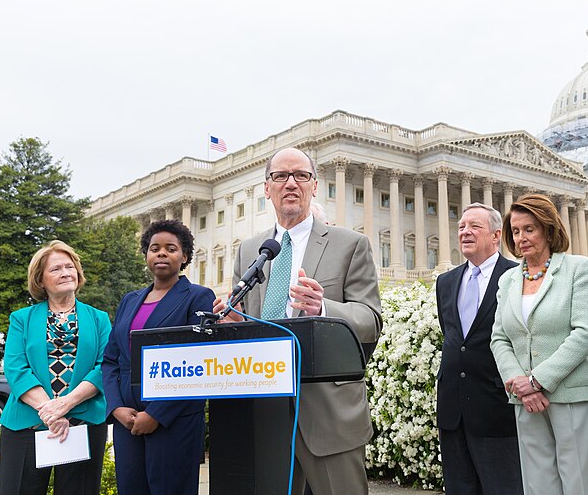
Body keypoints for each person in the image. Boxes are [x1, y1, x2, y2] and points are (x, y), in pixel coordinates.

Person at [213, 147, 381, 495]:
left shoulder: (351, 244)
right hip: (264, 413)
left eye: (300, 176)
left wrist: (323, 308)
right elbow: (251, 324)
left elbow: (370, 320)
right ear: (266, 188)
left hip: (328, 415)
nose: (291, 183)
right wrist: (232, 323)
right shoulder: (250, 250)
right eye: (280, 176)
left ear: (314, 186)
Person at [491, 194, 588, 494]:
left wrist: (537, 381)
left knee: (582, 484)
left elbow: (585, 334)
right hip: (525, 398)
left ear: (548, 229)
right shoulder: (507, 280)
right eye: (516, 231)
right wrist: (519, 383)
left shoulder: (577, 269)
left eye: (529, 229)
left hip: (573, 393)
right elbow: (499, 338)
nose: (521, 237)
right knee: (538, 484)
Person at [102, 220, 215, 495]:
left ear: (185, 256)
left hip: (174, 419)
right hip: (127, 420)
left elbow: (198, 362)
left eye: (171, 248)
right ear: (146, 255)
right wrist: (116, 408)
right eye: (155, 248)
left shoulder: (199, 297)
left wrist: (156, 413)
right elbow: (110, 360)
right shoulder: (130, 300)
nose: (161, 253)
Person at [0, 240, 111, 495]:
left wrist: (66, 405)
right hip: (26, 423)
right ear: (40, 280)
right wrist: (51, 412)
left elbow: (105, 366)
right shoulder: (21, 319)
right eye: (56, 269)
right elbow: (16, 368)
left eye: (69, 267)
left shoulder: (99, 318)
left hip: (83, 423)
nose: (65, 273)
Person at [435, 203, 522, 494]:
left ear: (496, 235)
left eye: (474, 226)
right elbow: (453, 338)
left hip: (497, 408)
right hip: (452, 411)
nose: (465, 232)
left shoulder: (516, 276)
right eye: (461, 227)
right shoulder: (445, 282)